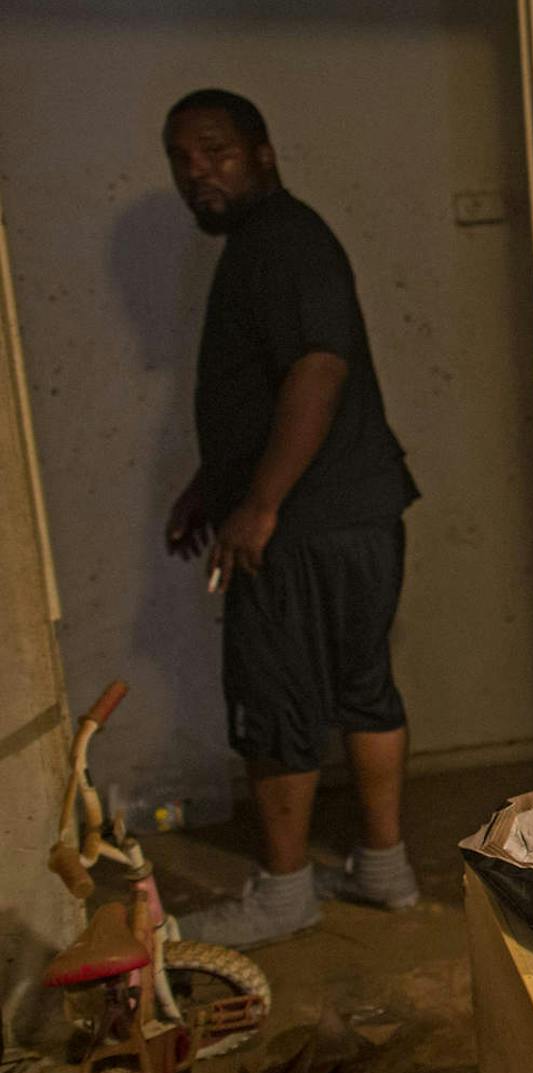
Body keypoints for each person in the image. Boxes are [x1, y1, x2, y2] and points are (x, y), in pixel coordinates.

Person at [161, 89, 421, 947]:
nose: (198, 173)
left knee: (276, 701)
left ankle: (284, 892)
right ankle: (384, 869)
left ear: (263, 152)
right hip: (357, 509)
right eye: (183, 161)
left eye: (215, 152)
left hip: (303, 522)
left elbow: (316, 373)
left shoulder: (280, 242)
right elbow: (273, 389)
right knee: (362, 686)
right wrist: (217, 484)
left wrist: (260, 505)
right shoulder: (277, 242)